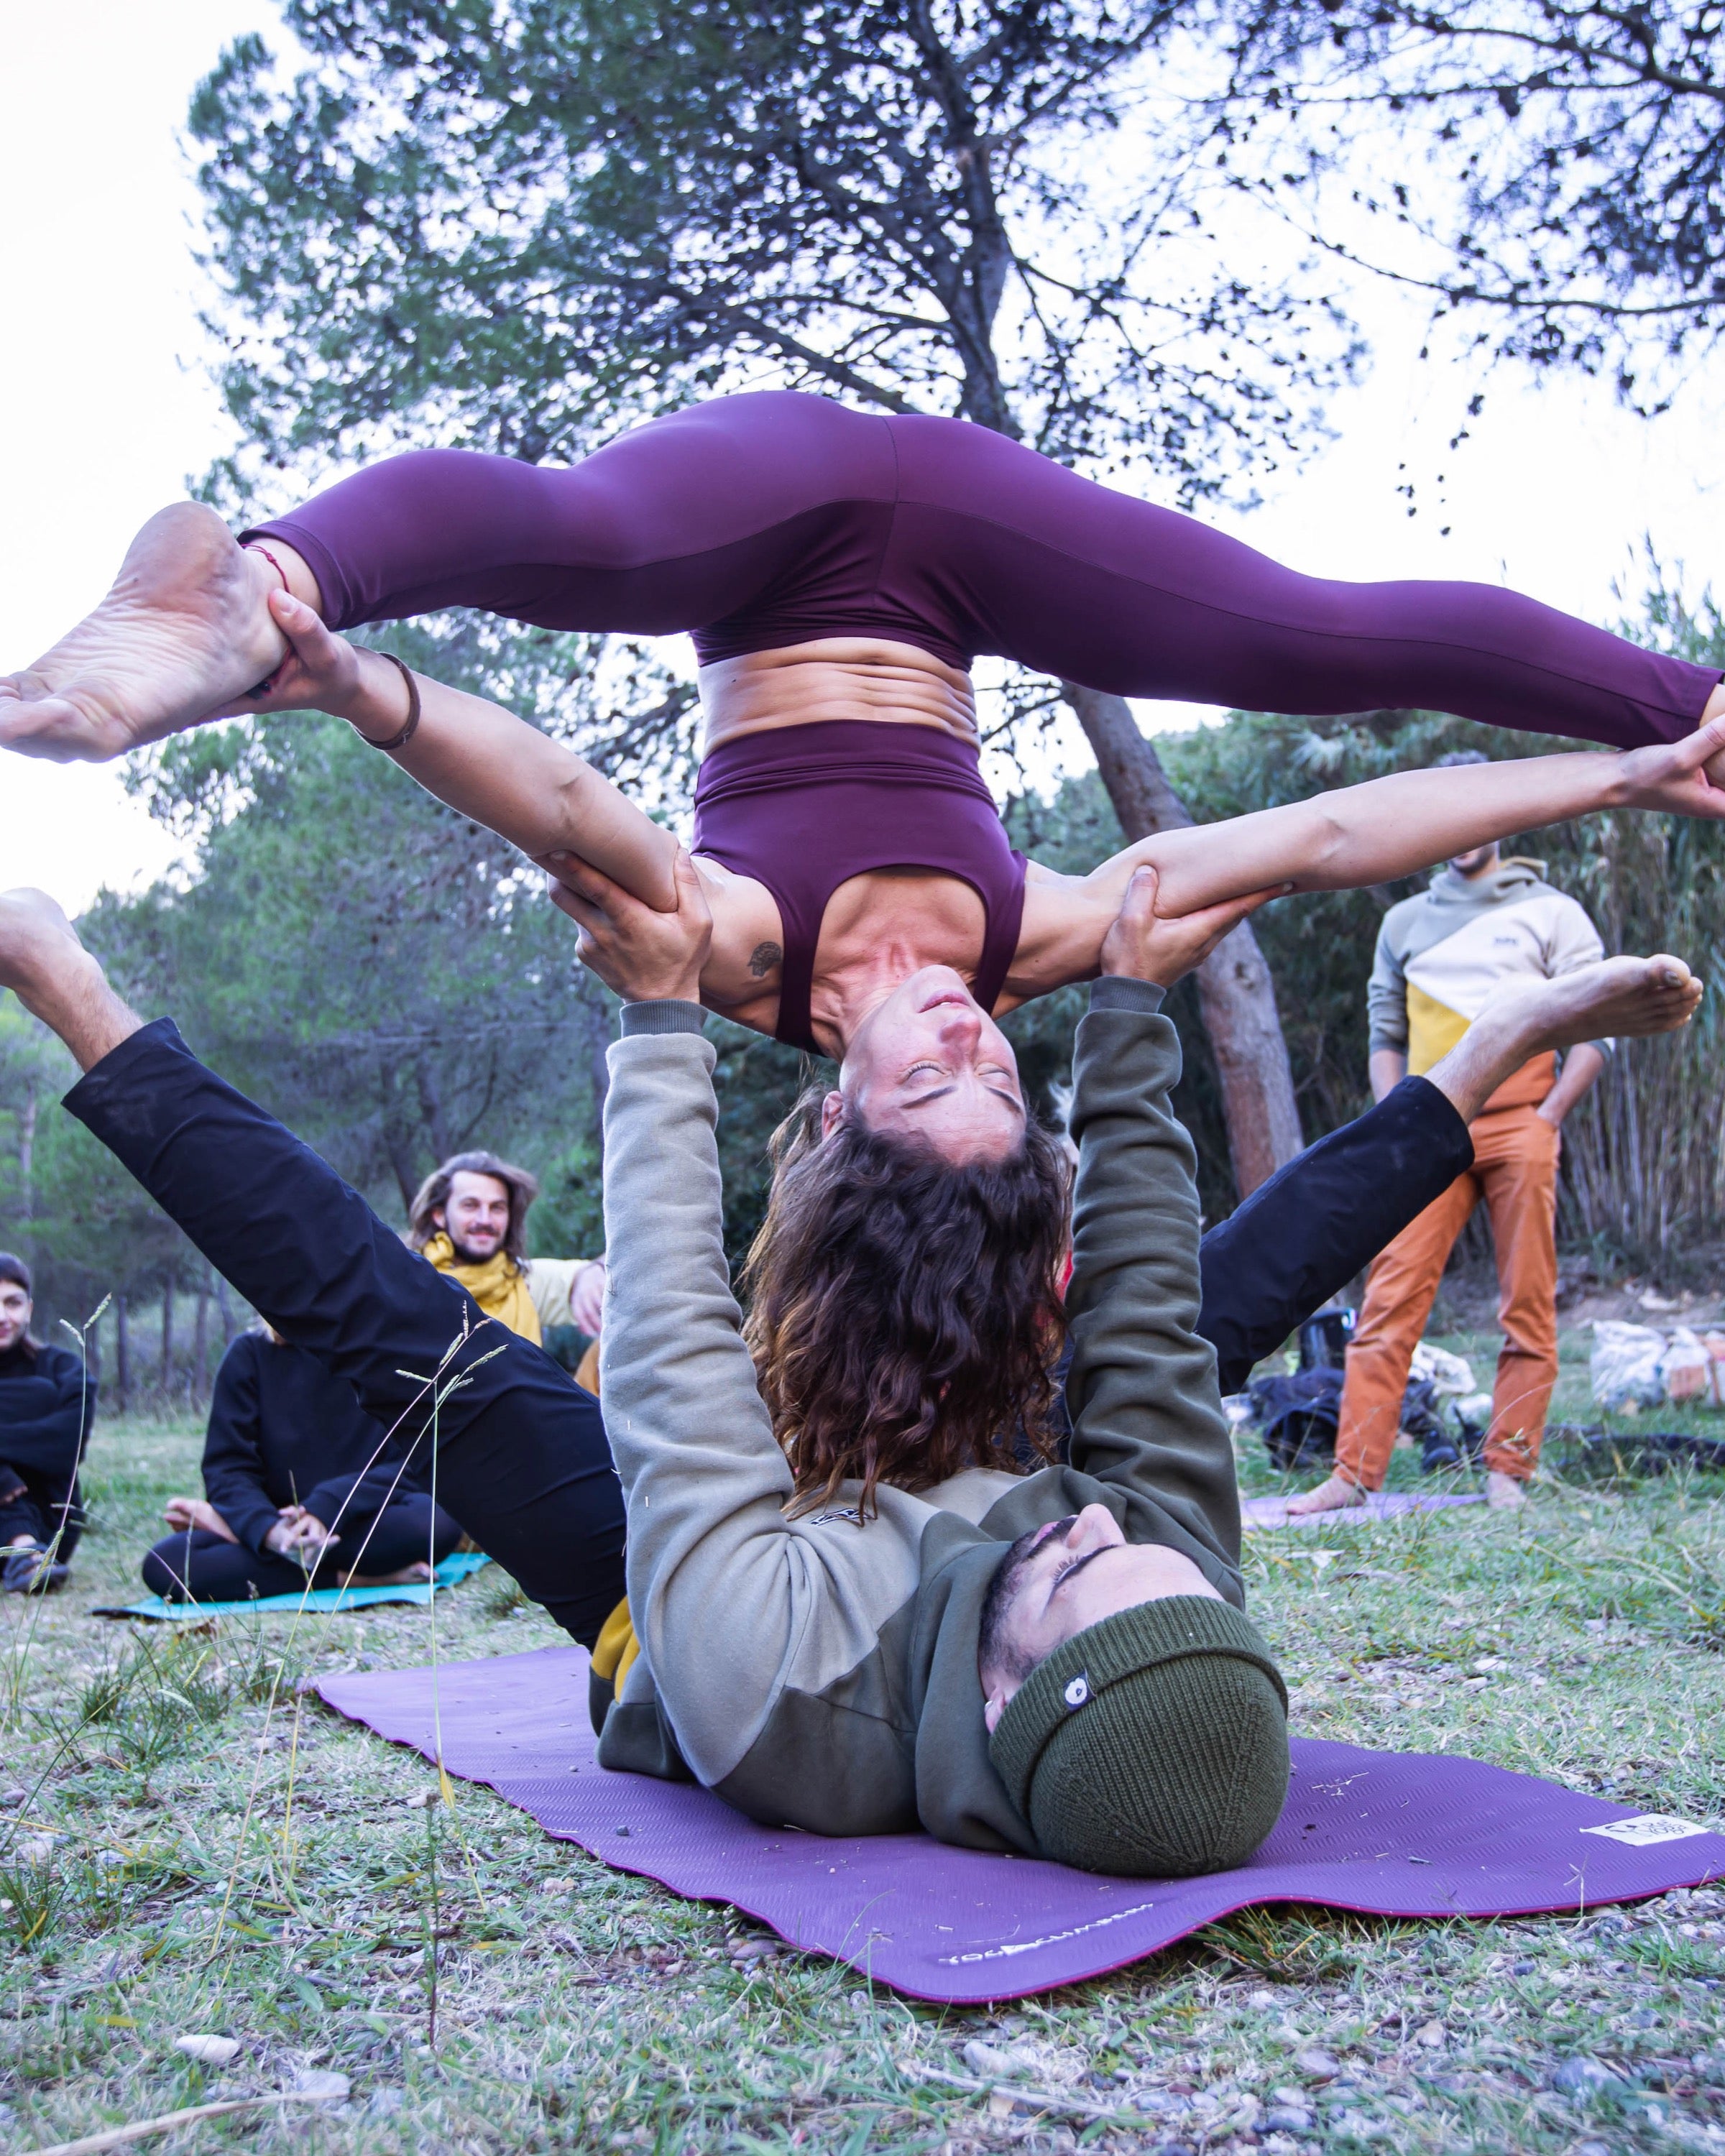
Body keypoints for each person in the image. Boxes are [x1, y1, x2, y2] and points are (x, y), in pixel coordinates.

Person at [0, 884, 1697, 1856]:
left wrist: (659, 1026)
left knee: (408, 1338)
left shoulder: (777, 1692)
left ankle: (59, 973)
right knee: (1209, 1309)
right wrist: (1157, 1010)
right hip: (920, 1440)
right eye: (1152, 1553)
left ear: (995, 1691)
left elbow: (664, 1340)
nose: (1104, 1528)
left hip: (697, 1570)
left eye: (1085, 1574)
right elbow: (1209, 1308)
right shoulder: (1146, 1561)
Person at [4, 390, 1722, 1163]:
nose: (977, 1048)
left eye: (938, 1087)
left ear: (839, 1094)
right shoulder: (1027, 946)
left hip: (767, 520)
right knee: (1309, 641)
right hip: (975, 547)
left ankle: (261, 583)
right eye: (1003, 1086)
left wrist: (351, 681)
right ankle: (1697, 708)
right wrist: (1615, 775)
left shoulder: (745, 963)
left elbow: (573, 809)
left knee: (582, 530)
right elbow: (1337, 831)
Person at [1291, 781, 1629, 1517]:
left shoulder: (1551, 911)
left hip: (1522, 1123)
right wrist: (1396, 1122)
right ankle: (1352, 1475)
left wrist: (1551, 1112)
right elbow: (1385, 1030)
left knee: (1528, 1301)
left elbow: (1596, 1021)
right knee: (1389, 1299)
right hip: (1429, 1128)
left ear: (1503, 816)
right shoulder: (1404, 922)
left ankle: (1508, 1466)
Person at [141, 1325, 464, 1603]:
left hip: (367, 1519)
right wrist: (269, 1531)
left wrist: (326, 1509)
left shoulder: (392, 1350)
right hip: (280, 1525)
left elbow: (415, 1461)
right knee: (166, 1564)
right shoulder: (250, 1353)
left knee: (437, 1522)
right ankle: (356, 1579)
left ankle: (240, 1539)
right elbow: (228, 1470)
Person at [405, 1149, 605, 1355]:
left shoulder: (522, 1281)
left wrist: (594, 1271)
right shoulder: (409, 1281)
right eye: (470, 1206)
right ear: (439, 1215)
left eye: (497, 1208)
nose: (484, 1219)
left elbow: (613, 1268)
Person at [0, 1251, 96, 1593]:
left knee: (40, 1392)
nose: (1, 1316)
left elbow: (64, 1448)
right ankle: (21, 1549)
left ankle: (27, 1550)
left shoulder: (64, 1370)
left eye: (12, 1303)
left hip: (52, 1525)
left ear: (29, 1308)